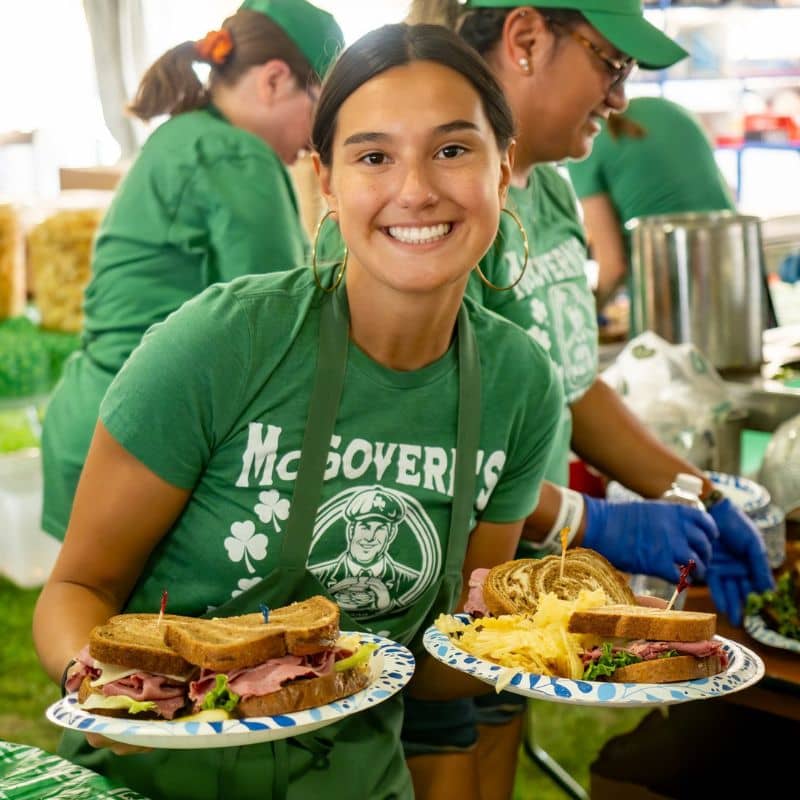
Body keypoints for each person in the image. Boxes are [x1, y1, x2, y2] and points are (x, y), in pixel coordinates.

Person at [32, 22, 565, 800]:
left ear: (503, 168)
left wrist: (554, 647)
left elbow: (445, 667)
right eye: (373, 156)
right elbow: (77, 589)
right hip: (154, 783)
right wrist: (108, 686)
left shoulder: (521, 386)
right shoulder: (223, 343)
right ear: (326, 180)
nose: (415, 189)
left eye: (453, 149)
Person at [401, 4, 774, 800]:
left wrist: (696, 492)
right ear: (527, 39)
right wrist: (587, 521)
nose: (619, 99)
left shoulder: (555, 196)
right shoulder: (450, 205)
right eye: (610, 65)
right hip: (431, 584)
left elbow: (577, 384)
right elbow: (422, 433)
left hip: (509, 579)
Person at [40, 0, 344, 541]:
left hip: (98, 417)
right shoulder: (238, 156)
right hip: (143, 439)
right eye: (323, 109)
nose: (317, 140)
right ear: (276, 80)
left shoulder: (184, 136)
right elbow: (283, 322)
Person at [567, 95, 736, 310]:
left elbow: (612, 267)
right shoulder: (671, 109)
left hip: (673, 296)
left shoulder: (585, 140)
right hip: (734, 274)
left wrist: (586, 315)